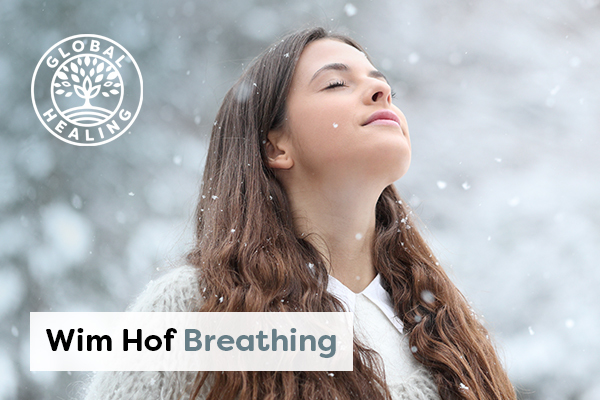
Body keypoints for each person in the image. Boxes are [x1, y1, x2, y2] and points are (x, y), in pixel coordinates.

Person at [82, 26, 516, 400]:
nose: (382, 92)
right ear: (275, 146)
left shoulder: (442, 323)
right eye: (335, 84)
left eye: (383, 85)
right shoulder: (193, 308)